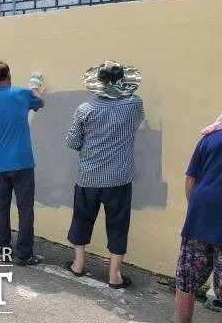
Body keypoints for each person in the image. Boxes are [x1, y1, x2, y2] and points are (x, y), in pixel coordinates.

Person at [65, 60, 144, 289]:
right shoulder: (135, 105)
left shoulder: (85, 109)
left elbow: (72, 141)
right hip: (119, 178)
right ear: (123, 82)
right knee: (118, 225)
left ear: (98, 84)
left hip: (88, 177)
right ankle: (114, 276)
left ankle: (78, 264)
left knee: (82, 219)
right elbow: (138, 122)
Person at [0, 61, 45, 265]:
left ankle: (4, 250)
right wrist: (35, 85)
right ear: (9, 76)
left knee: (1, 207)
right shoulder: (22, 94)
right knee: (25, 208)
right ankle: (24, 254)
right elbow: (40, 102)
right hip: (22, 162)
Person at [174, 114, 222, 323]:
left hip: (200, 216)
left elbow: (190, 177)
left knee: (187, 279)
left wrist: (195, 209)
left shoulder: (209, 137)